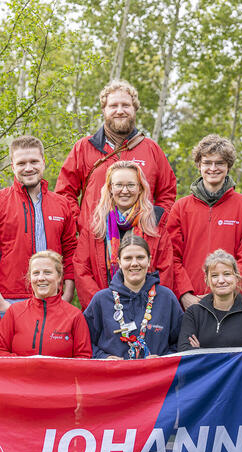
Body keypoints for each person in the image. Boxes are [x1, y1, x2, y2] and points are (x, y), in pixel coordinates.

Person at [0, 135, 78, 313]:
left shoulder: (62, 205)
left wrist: (66, 297)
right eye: (21, 163)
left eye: (34, 161)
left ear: (43, 162)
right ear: (13, 166)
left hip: (54, 300)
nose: (28, 168)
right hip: (10, 301)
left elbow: (70, 253)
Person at [56, 80, 177, 230]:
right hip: (94, 239)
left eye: (126, 105)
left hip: (140, 244)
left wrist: (154, 221)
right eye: (113, 106)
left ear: (135, 109)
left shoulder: (152, 149)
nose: (120, 111)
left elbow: (168, 193)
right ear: (104, 110)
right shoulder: (83, 147)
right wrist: (80, 224)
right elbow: (64, 192)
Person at [166, 134, 242, 310]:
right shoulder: (181, 207)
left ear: (228, 166)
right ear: (199, 165)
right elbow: (172, 256)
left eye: (220, 163)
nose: (213, 168)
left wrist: (226, 293)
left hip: (229, 302)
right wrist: (184, 293)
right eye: (207, 162)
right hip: (190, 302)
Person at [74, 161, 179, 304]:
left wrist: (152, 306)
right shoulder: (95, 225)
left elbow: (165, 270)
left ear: (140, 188)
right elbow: (82, 270)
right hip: (105, 309)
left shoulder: (155, 224)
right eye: (119, 185)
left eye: (130, 185)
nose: (124, 190)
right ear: (110, 188)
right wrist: (102, 306)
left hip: (147, 308)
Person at [85, 235, 183, 359]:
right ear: (119, 262)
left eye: (140, 257)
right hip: (113, 376)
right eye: (128, 258)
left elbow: (181, 342)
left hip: (156, 376)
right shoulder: (101, 300)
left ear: (149, 260)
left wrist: (163, 359)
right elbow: (84, 343)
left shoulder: (166, 298)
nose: (134, 263)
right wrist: (103, 358)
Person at [0, 251, 92, 358]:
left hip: (60, 375)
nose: (41, 278)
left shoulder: (74, 315)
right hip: (20, 374)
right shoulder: (14, 312)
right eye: (36, 273)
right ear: (29, 278)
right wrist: (26, 364)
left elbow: (84, 357)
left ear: (59, 277)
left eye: (47, 272)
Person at [178, 249, 242, 351]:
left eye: (227, 274)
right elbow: (185, 352)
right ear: (207, 280)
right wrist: (240, 352)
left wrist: (199, 351)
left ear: (236, 277)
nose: (221, 281)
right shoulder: (194, 313)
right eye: (214, 276)